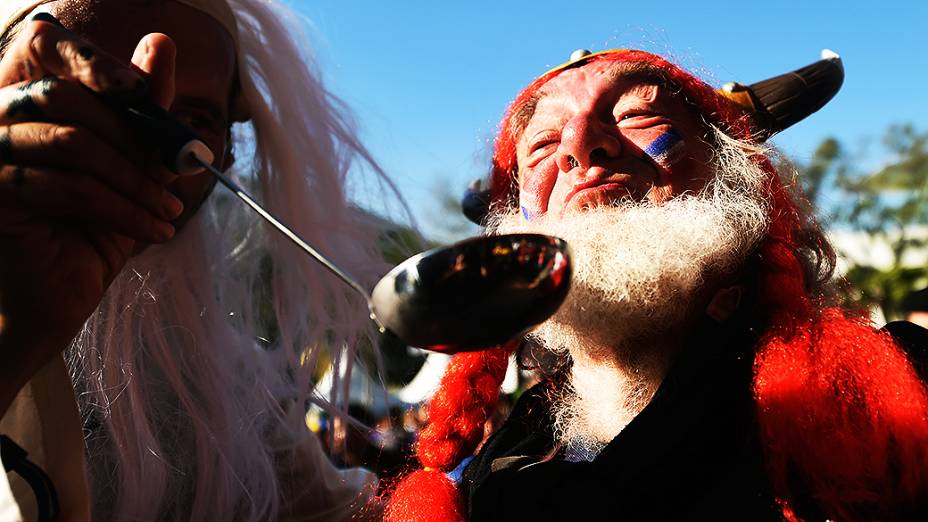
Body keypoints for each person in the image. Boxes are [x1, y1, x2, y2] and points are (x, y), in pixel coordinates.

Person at [386, 49, 928, 521]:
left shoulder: (895, 391)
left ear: (737, 173)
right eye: (543, 143)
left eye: (636, 115)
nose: (579, 144)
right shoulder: (504, 465)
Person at [0, 1, 391, 520]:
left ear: (226, 153)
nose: (141, 143)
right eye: (89, 92)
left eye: (191, 121)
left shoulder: (234, 389)